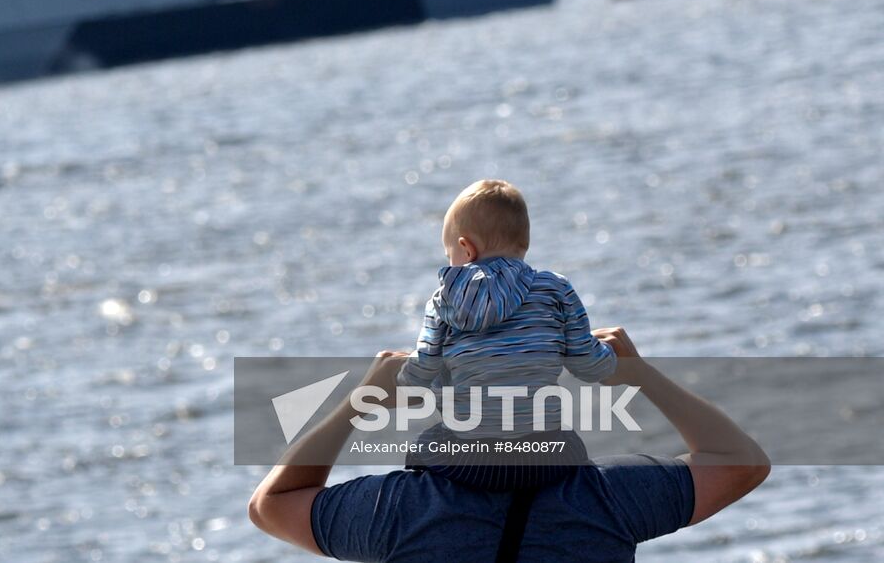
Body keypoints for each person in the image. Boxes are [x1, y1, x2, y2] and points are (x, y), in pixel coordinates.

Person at [248, 328, 770, 562]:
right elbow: (741, 463)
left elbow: (271, 505)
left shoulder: (399, 511)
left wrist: (360, 401)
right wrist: (639, 375)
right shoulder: (610, 500)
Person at [397, 179, 615, 491]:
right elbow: (590, 366)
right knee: (570, 439)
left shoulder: (441, 300)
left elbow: (423, 370)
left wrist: (402, 378)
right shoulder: (556, 288)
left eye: (449, 255)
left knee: (423, 446)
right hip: (545, 458)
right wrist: (610, 354)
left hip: (472, 462)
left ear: (465, 249)